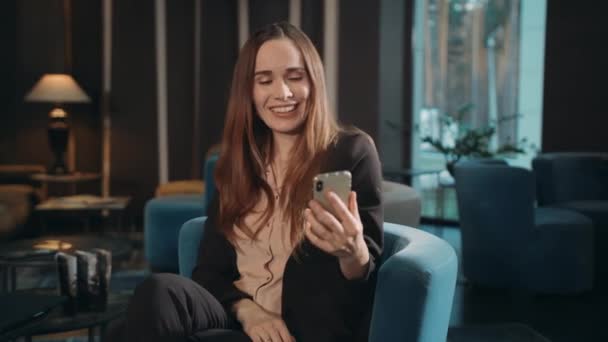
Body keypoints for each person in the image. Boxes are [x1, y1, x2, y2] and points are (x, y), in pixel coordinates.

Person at [125, 22, 383, 342]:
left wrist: (353, 252)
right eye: (265, 80)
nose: (282, 93)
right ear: (249, 91)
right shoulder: (238, 163)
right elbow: (208, 273)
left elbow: (367, 280)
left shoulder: (350, 152)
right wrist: (249, 312)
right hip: (238, 316)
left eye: (294, 77)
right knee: (158, 291)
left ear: (314, 82)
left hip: (298, 331)